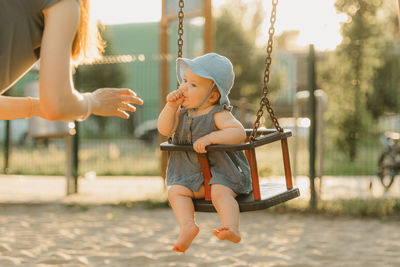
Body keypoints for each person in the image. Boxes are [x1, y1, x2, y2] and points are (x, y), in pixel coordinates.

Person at [158, 53, 252, 253]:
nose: (183, 87)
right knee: (175, 191)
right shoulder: (180, 113)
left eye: (193, 85)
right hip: (193, 180)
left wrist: (211, 138)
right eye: (184, 81)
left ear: (212, 95)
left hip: (222, 176)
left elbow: (239, 133)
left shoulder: (219, 114)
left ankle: (232, 227)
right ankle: (187, 226)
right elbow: (164, 130)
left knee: (220, 192)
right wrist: (170, 106)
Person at [0, 0, 143, 121]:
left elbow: (53, 105)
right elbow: (56, 104)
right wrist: (93, 102)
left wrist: (39, 107)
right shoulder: (64, 4)